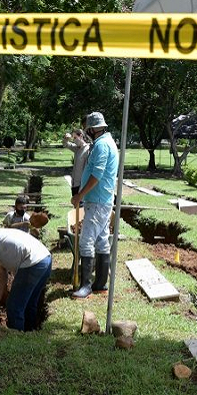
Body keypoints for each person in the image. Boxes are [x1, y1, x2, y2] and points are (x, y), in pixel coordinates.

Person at [0, 224, 52, 332]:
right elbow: (2, 274)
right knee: (30, 303)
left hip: (33, 263)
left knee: (14, 306)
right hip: (45, 259)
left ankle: (16, 339)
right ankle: (30, 335)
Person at [70, 112, 118, 299]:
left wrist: (79, 195)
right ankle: (100, 284)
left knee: (86, 241)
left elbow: (96, 175)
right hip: (102, 200)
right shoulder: (108, 142)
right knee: (101, 240)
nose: (86, 133)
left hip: (97, 201)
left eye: (87, 129)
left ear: (92, 128)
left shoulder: (101, 146)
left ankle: (86, 286)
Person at [62, 128, 91, 195]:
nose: (74, 140)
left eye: (75, 138)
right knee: (75, 204)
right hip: (74, 184)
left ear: (81, 136)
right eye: (73, 138)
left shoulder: (87, 150)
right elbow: (66, 144)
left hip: (81, 186)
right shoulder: (77, 148)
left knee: (80, 205)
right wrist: (66, 138)